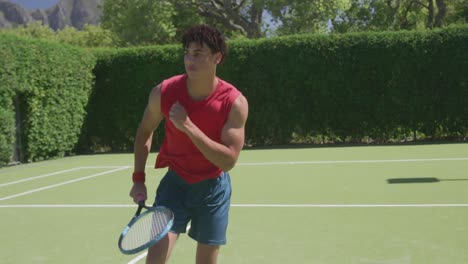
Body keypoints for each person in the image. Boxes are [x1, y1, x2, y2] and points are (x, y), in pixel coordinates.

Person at [129, 24, 249, 264]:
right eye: (186, 52)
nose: (189, 59)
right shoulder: (163, 92)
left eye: (198, 54)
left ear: (217, 58)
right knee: (156, 257)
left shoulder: (234, 102)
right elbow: (144, 132)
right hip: (175, 186)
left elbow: (228, 160)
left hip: (213, 189)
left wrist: (189, 127)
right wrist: (138, 179)